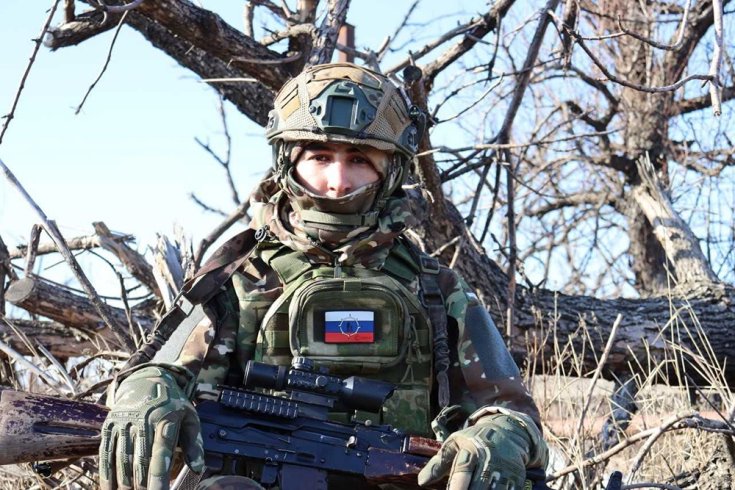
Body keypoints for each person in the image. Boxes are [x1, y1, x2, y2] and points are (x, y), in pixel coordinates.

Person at [99, 63, 548, 490]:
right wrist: (145, 390)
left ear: (392, 169)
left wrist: (501, 436)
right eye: (319, 156)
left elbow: (512, 413)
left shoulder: (437, 288)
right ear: (287, 161)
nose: (338, 181)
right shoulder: (238, 277)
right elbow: (157, 373)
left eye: (359, 159)